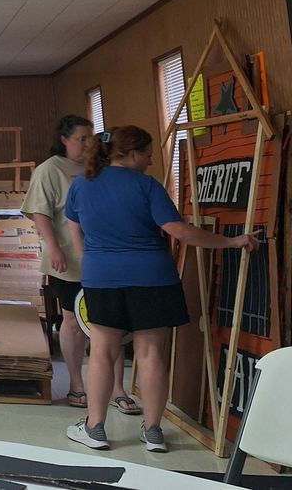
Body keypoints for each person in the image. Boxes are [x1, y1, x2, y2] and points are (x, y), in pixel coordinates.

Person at [64, 126, 258, 453]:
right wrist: (232, 241)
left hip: (102, 278)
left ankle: (95, 428)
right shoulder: (146, 186)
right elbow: (179, 231)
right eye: (147, 153)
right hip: (152, 278)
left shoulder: (82, 184)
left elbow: (75, 230)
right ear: (130, 154)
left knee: (102, 350)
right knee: (151, 353)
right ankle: (153, 432)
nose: (151, 160)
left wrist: (93, 263)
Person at [24, 115, 138, 414]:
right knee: (73, 319)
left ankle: (117, 388)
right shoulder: (50, 170)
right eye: (81, 139)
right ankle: (76, 384)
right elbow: (39, 213)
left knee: (110, 323)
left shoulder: (101, 167)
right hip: (68, 259)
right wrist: (54, 248)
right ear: (64, 140)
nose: (88, 144)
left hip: (105, 257)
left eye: (91, 137)